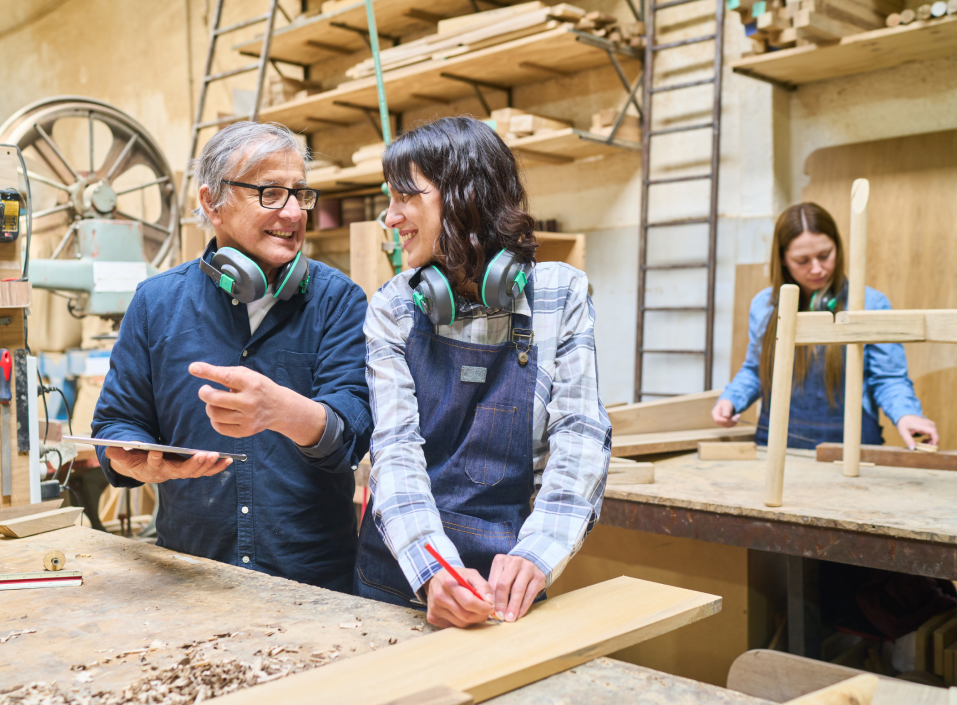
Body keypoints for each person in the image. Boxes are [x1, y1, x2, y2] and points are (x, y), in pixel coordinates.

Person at [92, 122, 373, 592]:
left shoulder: (338, 301)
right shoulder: (155, 303)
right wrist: (135, 461)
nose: (291, 211)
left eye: (300, 193)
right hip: (189, 577)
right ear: (211, 203)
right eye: (269, 192)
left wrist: (284, 412)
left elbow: (352, 437)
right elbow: (118, 423)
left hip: (313, 585)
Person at [355, 117, 612, 628]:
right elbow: (395, 448)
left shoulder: (559, 295)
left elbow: (579, 434)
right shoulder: (395, 307)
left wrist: (539, 552)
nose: (390, 217)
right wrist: (434, 569)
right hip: (400, 573)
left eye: (405, 197)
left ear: (463, 195)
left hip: (507, 579)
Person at [713, 202, 937, 450]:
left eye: (824, 255)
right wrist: (732, 399)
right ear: (783, 260)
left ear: (837, 248)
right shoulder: (764, 306)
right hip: (778, 444)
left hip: (852, 446)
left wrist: (907, 414)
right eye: (802, 260)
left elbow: (888, 377)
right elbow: (757, 370)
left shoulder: (870, 303)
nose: (817, 269)